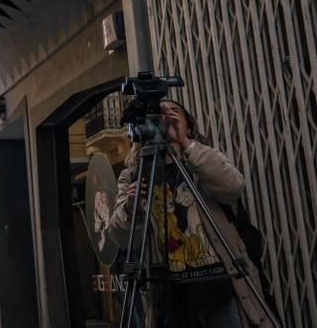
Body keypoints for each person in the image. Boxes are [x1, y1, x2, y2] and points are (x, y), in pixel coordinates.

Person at [108, 100, 275, 327]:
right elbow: (121, 238)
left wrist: (185, 144)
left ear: (188, 126)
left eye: (174, 112)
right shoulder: (134, 176)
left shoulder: (203, 161)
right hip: (172, 296)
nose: (166, 116)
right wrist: (130, 207)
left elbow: (233, 187)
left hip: (221, 288)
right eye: (159, 113)